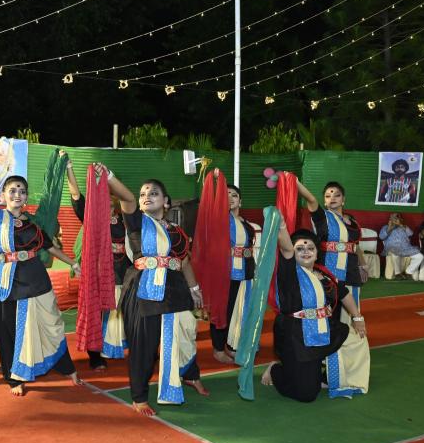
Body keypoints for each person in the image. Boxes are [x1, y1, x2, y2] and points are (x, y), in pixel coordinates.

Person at [0, 167, 83, 396]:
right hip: (7, 283)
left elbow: (50, 247)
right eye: (12, 190)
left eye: (22, 191)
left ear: (26, 197)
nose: (17, 194)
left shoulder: (34, 224)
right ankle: (13, 377)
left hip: (35, 280)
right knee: (7, 332)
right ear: (3, 195)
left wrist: (73, 263)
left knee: (50, 325)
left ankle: (67, 368)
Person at [111, 176, 208, 416]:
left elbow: (184, 262)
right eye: (143, 194)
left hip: (174, 290)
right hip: (143, 290)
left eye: (153, 193)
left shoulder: (177, 231)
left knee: (185, 332)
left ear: (166, 202)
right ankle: (139, 396)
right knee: (143, 345)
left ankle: (189, 374)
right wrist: (110, 177)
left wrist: (195, 289)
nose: (146, 197)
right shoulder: (136, 222)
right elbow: (126, 198)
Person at [261, 227, 367, 402]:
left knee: (356, 338)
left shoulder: (324, 274)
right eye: (299, 249)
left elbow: (344, 294)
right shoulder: (289, 273)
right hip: (297, 337)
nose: (306, 251)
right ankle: (275, 369)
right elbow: (286, 248)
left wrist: (357, 317)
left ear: (317, 254)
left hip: (325, 330)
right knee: (307, 395)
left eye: (310, 248)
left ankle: (327, 377)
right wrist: (282, 226)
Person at [64, 155, 135, 370]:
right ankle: (95, 355)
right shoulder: (91, 217)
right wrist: (69, 168)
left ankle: (131, 347)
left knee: (126, 312)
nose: (109, 200)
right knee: (98, 312)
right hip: (99, 274)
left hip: (124, 273)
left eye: (112, 196)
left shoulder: (126, 219)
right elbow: (76, 196)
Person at [304, 180, 370, 398]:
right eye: (328, 195)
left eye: (336, 195)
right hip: (329, 281)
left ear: (344, 199)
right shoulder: (322, 217)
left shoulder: (352, 222)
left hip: (351, 277)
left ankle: (347, 369)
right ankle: (327, 373)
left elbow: (356, 247)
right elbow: (310, 199)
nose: (331, 198)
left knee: (351, 323)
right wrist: (293, 183)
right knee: (331, 325)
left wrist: (362, 264)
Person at [211, 184, 257, 364]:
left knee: (239, 311)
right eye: (226, 195)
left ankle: (232, 345)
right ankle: (218, 349)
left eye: (234, 195)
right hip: (225, 273)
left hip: (246, 272)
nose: (230, 198)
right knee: (222, 310)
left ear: (240, 201)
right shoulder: (220, 220)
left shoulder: (246, 224)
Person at [379, 212, 424, 280]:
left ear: (401, 220)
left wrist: (401, 225)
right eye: (393, 218)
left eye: (396, 218)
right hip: (392, 248)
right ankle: (398, 273)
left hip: (406, 248)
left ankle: (409, 272)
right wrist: (389, 228)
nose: (394, 220)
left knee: (420, 256)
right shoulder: (385, 227)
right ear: (390, 219)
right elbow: (381, 237)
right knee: (394, 252)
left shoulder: (404, 227)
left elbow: (411, 234)